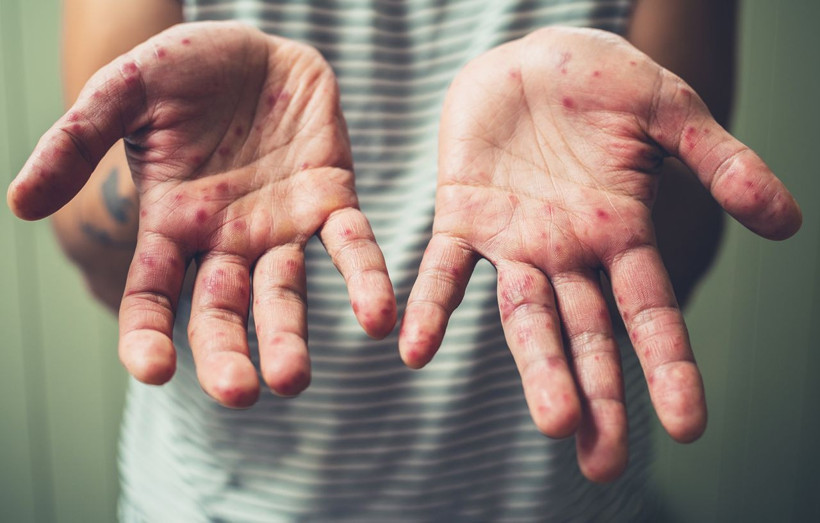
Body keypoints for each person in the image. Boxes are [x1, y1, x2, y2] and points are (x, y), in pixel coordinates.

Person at [6, 0, 801, 520]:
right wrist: (155, 192)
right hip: (224, 504)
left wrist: (622, 165)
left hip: (561, 502)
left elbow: (676, 263)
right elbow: (103, 246)